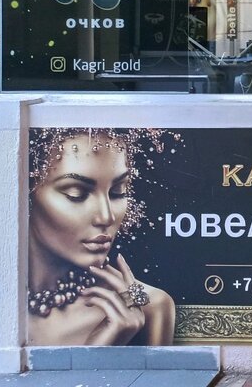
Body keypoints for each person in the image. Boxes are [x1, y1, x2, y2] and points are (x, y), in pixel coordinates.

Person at [27, 128, 176, 345]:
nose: (106, 217)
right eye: (76, 194)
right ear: (25, 193)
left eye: (118, 192)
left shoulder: (151, 307)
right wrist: (99, 352)